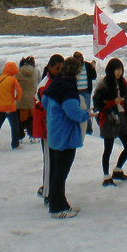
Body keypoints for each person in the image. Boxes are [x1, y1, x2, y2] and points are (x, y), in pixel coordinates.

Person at [42, 56, 90, 218]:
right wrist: (86, 114)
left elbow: (44, 101)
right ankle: (56, 208)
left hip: (54, 133)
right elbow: (73, 112)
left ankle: (62, 203)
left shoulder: (57, 83)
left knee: (57, 171)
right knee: (61, 173)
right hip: (65, 136)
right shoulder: (68, 89)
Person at [92, 57, 127, 186]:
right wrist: (112, 103)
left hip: (122, 116)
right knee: (108, 148)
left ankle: (118, 169)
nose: (119, 72)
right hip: (109, 118)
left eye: (120, 69)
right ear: (111, 70)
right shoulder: (103, 84)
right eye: (116, 70)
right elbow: (97, 104)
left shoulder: (123, 83)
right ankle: (106, 176)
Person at [34, 54, 64, 204]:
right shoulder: (45, 85)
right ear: (50, 67)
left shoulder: (57, 82)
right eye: (57, 68)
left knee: (55, 160)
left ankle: (50, 189)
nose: (60, 71)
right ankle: (47, 193)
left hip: (55, 127)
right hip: (47, 128)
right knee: (49, 160)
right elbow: (45, 107)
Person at [0, 62, 22, 151]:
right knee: (14, 126)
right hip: (9, 106)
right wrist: (17, 98)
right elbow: (19, 90)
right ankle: (15, 144)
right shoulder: (12, 79)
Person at [73, 51, 96, 135]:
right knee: (77, 110)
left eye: (81, 57)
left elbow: (94, 77)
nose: (80, 59)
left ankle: (88, 130)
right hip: (76, 92)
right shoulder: (72, 68)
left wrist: (93, 68)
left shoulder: (87, 65)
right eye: (77, 58)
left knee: (87, 110)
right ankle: (79, 128)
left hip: (86, 91)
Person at [17, 56, 38, 143]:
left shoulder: (18, 73)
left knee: (20, 120)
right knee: (31, 119)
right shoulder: (35, 72)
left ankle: (19, 137)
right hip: (32, 99)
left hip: (21, 100)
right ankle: (32, 136)